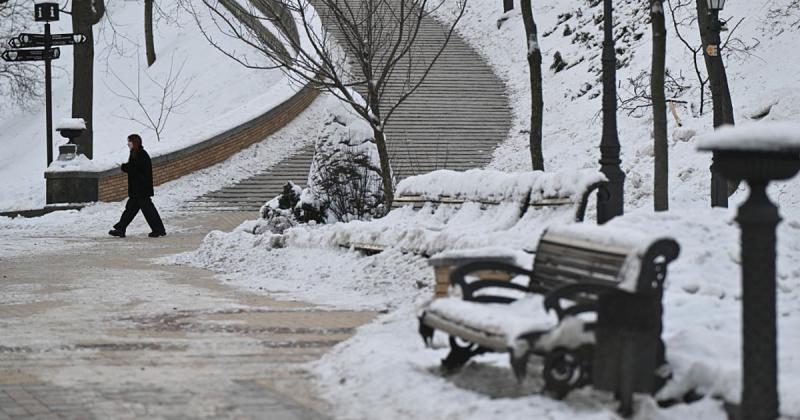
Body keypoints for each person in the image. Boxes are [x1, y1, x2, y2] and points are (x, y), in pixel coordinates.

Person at [108, 134, 166, 238]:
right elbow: (135, 168)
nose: (127, 143)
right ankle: (121, 229)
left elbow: (136, 170)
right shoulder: (136, 153)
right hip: (137, 190)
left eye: (129, 141)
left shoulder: (141, 154)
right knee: (130, 209)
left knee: (148, 211)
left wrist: (125, 167)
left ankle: (159, 230)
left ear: (134, 142)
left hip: (141, 190)